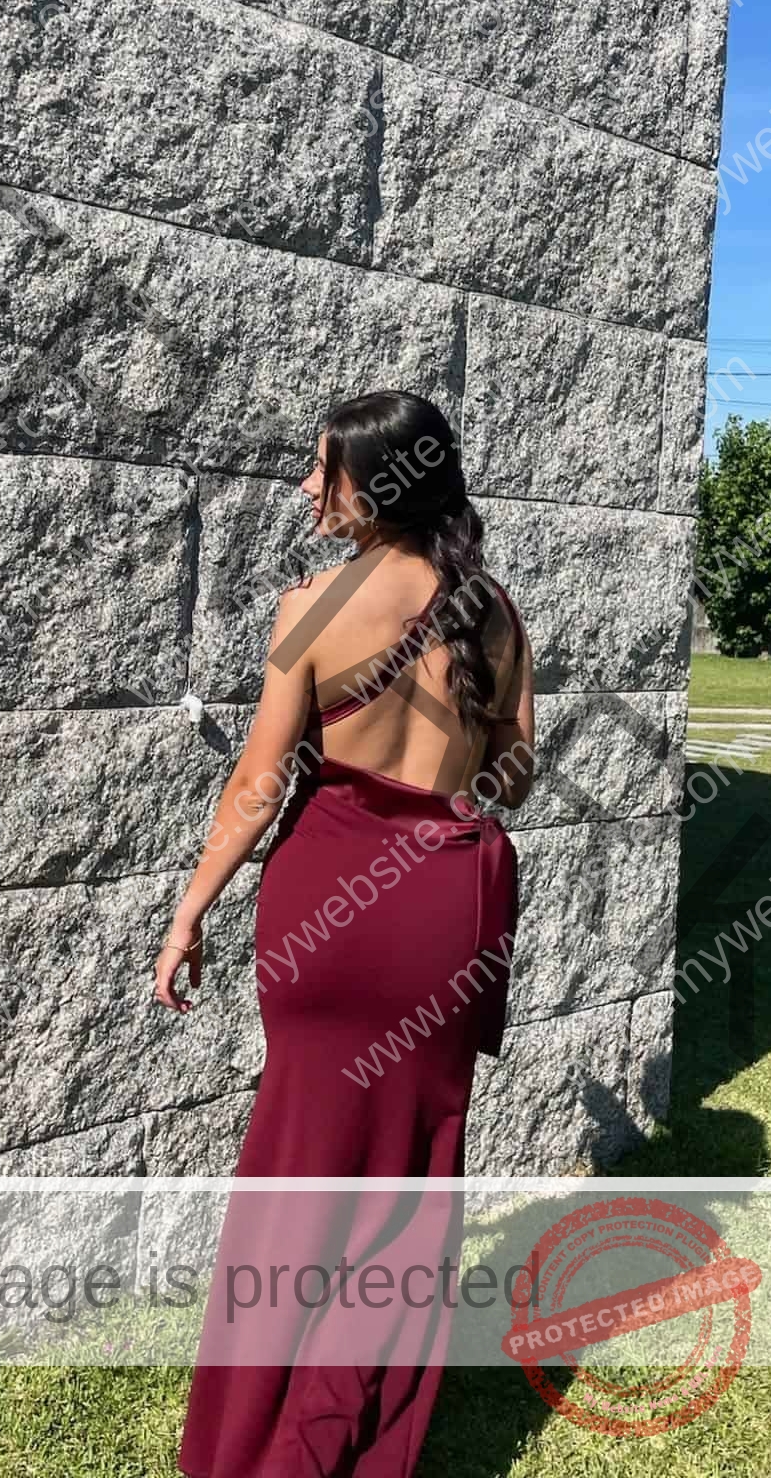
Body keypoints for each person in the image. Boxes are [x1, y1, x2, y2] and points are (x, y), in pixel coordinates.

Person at [154, 390, 536, 1477]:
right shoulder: (495, 614)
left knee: (299, 1166)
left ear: (379, 485)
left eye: (324, 470)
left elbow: (257, 783)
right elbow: (516, 775)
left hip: (327, 911)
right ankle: (347, 1445)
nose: (307, 486)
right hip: (442, 916)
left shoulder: (312, 608)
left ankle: (255, 1445)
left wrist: (189, 912)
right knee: (406, 1183)